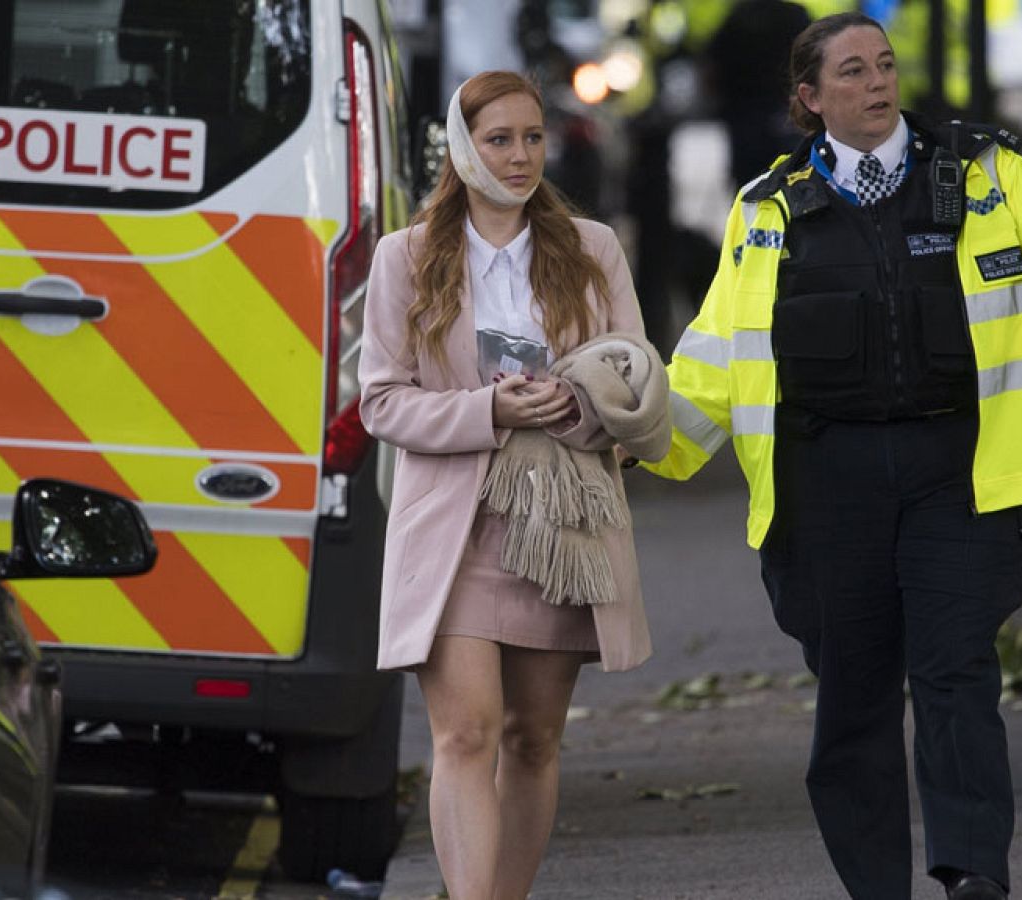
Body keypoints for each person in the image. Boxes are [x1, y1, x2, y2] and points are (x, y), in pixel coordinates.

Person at [642, 13, 1022, 900]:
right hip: (828, 487)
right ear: (809, 96)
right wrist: (635, 433)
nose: (877, 83)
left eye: (886, 65)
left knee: (957, 674)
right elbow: (715, 359)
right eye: (854, 70)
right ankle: (875, 886)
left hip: (962, 472)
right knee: (855, 699)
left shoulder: (983, 172)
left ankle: (975, 871)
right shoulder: (766, 210)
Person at [358, 71, 656, 900]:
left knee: (531, 740)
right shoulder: (406, 256)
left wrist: (573, 411)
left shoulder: (591, 247)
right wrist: (488, 408)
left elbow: (635, 386)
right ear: (462, 147)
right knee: (465, 735)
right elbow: (381, 401)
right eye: (500, 139)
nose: (521, 156)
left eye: (533, 137)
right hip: (455, 528)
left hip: (559, 528)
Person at [703, 0, 814, 187]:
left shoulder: (738, 17)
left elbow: (712, 66)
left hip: (748, 112)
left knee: (750, 181)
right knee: (793, 176)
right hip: (781, 110)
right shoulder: (794, 15)